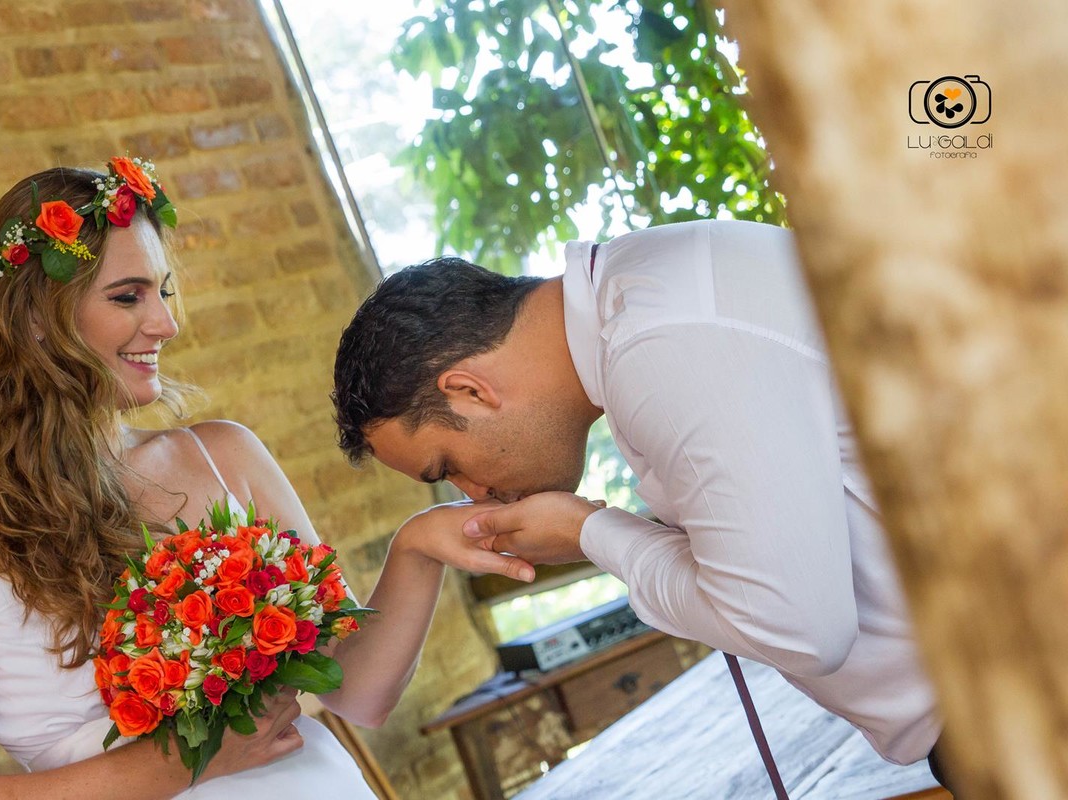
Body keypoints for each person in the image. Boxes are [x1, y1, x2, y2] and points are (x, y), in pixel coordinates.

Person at [0, 160, 528, 799]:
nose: (165, 323)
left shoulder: (227, 456)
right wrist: (184, 764)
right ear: (35, 318)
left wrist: (418, 548)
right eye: (127, 295)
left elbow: (356, 692)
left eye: (162, 290)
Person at [330, 220, 948, 778]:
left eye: (450, 467)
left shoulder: (658, 344)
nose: (474, 495)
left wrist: (590, 534)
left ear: (468, 390)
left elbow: (800, 629)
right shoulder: (641, 302)